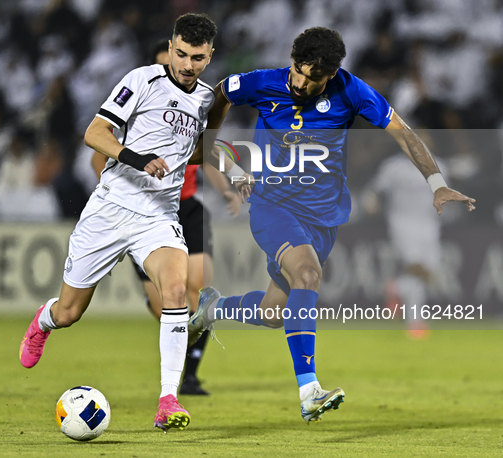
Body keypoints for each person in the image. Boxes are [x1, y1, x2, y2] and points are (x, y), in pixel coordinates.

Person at [188, 27, 475, 424]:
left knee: (275, 312)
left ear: (331, 75)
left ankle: (213, 308)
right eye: (299, 72)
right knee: (308, 274)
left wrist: (437, 183)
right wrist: (210, 139)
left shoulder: (352, 91)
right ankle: (309, 391)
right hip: (272, 204)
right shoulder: (263, 83)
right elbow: (221, 90)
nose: (302, 84)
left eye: (314, 79)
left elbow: (403, 134)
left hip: (323, 218)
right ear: (292, 60)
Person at [19, 13, 218, 432]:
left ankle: (168, 400)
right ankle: (43, 321)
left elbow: (194, 153)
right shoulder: (142, 79)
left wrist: (230, 157)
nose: (186, 64)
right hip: (110, 207)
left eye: (196, 58)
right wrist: (138, 157)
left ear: (209, 55)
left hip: (159, 216)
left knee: (178, 290)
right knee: (71, 311)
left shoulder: (204, 98)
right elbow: (94, 133)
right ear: (171, 44)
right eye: (180, 53)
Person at [90, 39, 241, 396]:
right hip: (140, 211)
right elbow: (99, 154)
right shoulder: (138, 103)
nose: (183, 68)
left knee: (199, 289)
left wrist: (227, 188)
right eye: (175, 60)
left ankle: (189, 376)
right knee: (166, 309)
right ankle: (178, 353)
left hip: (185, 206)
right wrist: (113, 191)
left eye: (192, 61)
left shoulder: (196, 102)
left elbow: (206, 152)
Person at [366, 134, 448, 339]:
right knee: (416, 267)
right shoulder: (393, 167)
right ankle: (415, 323)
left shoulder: (440, 166)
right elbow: (375, 190)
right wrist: (372, 203)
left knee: (430, 271)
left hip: (430, 224)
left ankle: (396, 287)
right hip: (402, 223)